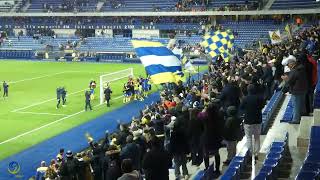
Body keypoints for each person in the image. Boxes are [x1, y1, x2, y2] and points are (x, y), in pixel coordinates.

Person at [240, 84, 265, 159]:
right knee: (257, 137)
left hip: (248, 120)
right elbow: (262, 106)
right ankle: (257, 153)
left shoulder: (245, 99)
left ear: (248, 90)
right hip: (258, 120)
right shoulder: (259, 98)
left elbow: (241, 108)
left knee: (249, 137)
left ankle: (250, 154)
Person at [282, 56, 308, 124]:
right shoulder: (301, 68)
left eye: (288, 65)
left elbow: (290, 81)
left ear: (292, 64)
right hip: (303, 89)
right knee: (302, 104)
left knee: (296, 105)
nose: (288, 67)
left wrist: (285, 79)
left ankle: (296, 120)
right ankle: (303, 115)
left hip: (296, 90)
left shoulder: (294, 70)